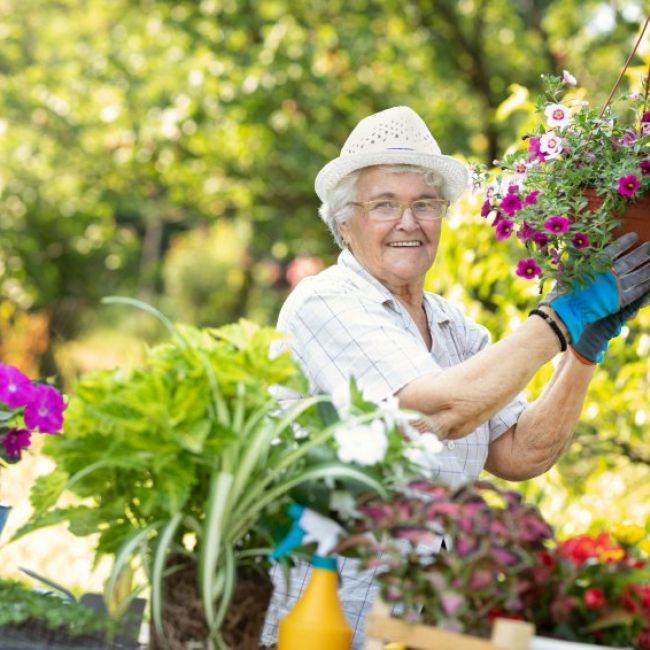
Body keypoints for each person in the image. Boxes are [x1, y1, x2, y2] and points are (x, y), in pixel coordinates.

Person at [262, 105, 650, 647]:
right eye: (384, 205)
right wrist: (559, 319)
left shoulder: (453, 328)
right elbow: (432, 411)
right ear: (345, 224)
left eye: (424, 204)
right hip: (315, 629)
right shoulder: (324, 303)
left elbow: (520, 454)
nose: (408, 222)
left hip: (410, 629)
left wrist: (581, 352)